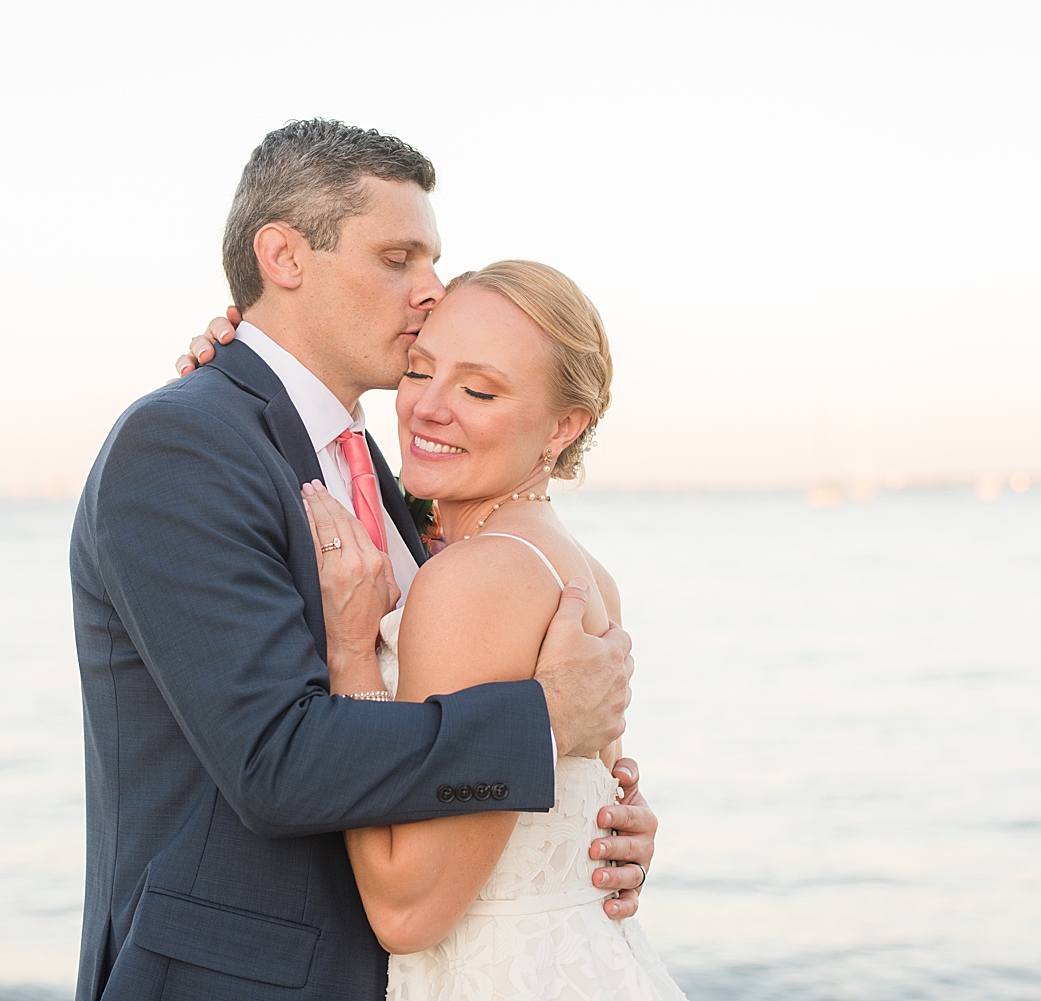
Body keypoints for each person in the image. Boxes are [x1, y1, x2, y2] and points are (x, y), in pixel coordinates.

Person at [70, 119, 656, 1001]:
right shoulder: (182, 443)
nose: (431, 290)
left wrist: (582, 819)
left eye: (433, 261)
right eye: (398, 259)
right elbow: (273, 756)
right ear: (284, 256)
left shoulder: (372, 463)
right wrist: (543, 726)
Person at [296, 260, 688, 998]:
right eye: (418, 371)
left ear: (564, 426)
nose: (427, 408)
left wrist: (351, 654)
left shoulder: (476, 577)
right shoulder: (582, 570)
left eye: (479, 390)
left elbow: (406, 910)